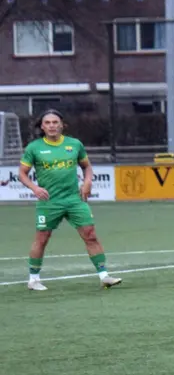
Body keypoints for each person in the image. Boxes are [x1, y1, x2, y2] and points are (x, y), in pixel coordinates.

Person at [18, 109, 122, 291]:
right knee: (42, 238)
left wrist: (88, 182)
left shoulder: (74, 144)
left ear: (62, 125)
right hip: (49, 201)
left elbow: (87, 167)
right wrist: (34, 188)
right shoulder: (34, 148)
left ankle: (104, 276)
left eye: (55, 122)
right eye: (48, 123)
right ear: (42, 126)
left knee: (90, 234)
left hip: (75, 199)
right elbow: (22, 174)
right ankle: (33, 279)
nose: (51, 126)